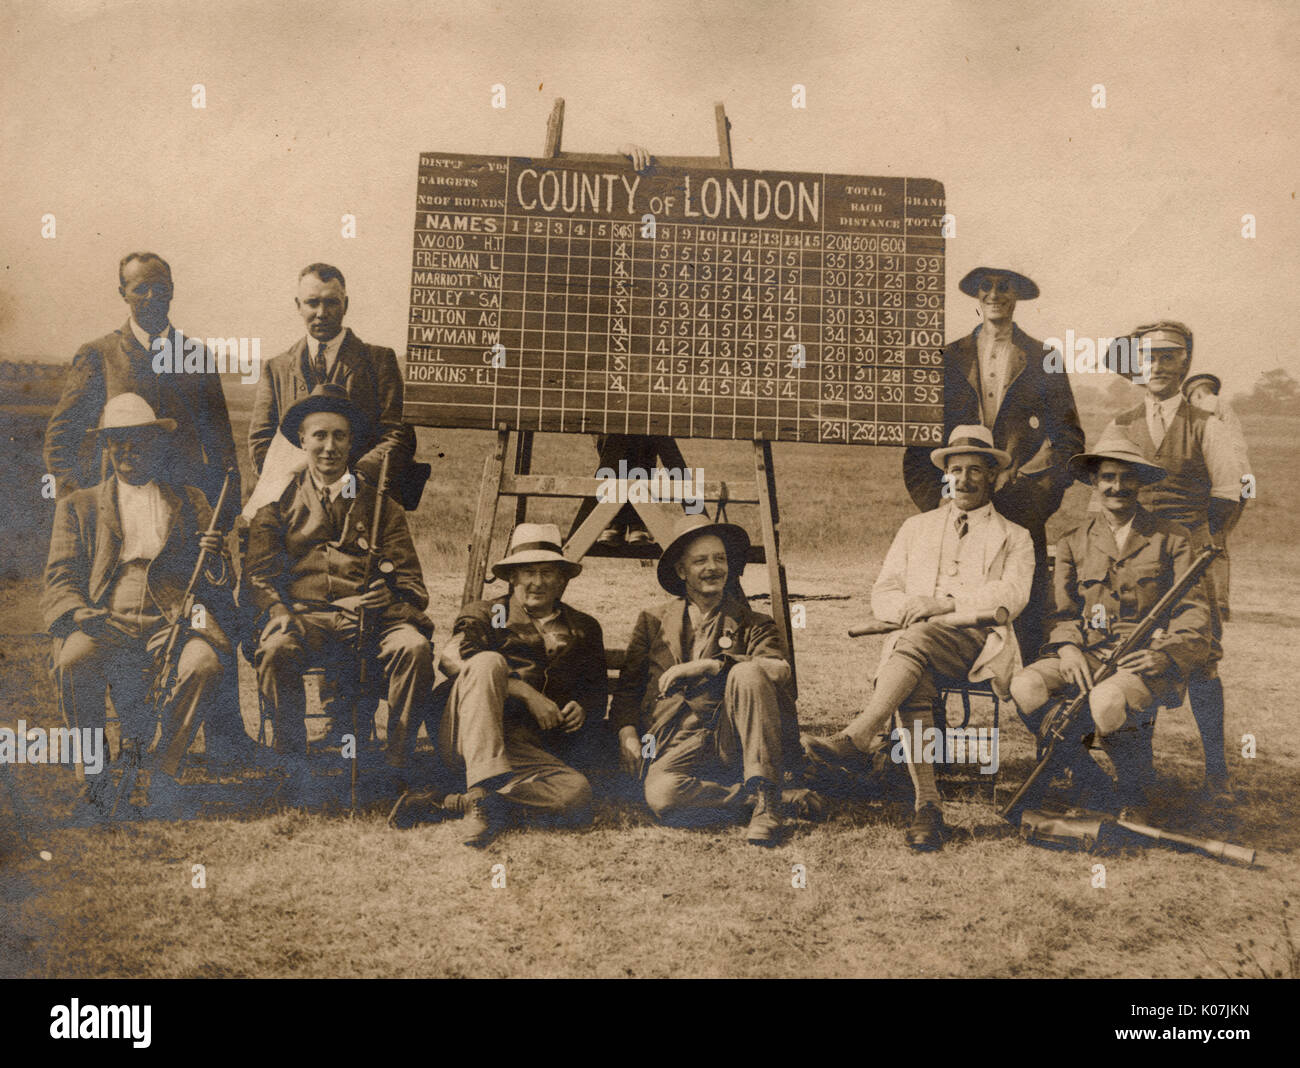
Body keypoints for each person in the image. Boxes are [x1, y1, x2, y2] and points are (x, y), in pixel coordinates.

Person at [806, 425, 1034, 850]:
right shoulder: (917, 528)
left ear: (993, 477)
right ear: (944, 476)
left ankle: (860, 734)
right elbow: (884, 592)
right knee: (917, 673)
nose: (963, 480)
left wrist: (944, 604)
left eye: (975, 470)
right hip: (918, 644)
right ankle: (927, 807)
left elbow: (1011, 595)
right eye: (956, 470)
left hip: (979, 644)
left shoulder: (1015, 537)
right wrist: (910, 610)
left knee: (918, 641)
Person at [42, 393, 238, 819]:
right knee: (74, 657)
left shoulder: (191, 501)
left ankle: (162, 772)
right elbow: (59, 579)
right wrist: (77, 613)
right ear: (106, 448)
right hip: (104, 618)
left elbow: (218, 583)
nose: (128, 452)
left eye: (138, 442)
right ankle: (94, 774)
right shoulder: (78, 506)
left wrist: (217, 557)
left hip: (172, 619)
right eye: (117, 443)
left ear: (157, 444)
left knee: (204, 664)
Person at [1009, 428, 1211, 820]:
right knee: (1024, 685)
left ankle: (1135, 790)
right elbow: (1061, 612)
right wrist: (1067, 648)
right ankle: (1099, 783)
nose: (1117, 487)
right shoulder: (1071, 541)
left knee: (1106, 702)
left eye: (1127, 477)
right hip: (1085, 654)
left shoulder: (1173, 539)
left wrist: (1166, 656)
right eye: (1108, 477)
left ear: (1140, 482)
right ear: (1093, 482)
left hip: (1141, 659)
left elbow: (1195, 612)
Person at [242, 385, 435, 782]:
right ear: (302, 440)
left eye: (339, 436)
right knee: (276, 648)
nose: (329, 447)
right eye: (319, 435)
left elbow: (413, 584)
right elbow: (257, 576)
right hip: (304, 618)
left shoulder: (382, 504)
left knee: (413, 648)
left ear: (352, 442)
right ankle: (293, 763)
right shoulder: (276, 503)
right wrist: (277, 610)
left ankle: (395, 765)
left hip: (372, 618)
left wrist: (389, 594)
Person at [901, 265, 1083, 659]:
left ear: (1017, 296)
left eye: (1005, 287)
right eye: (987, 287)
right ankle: (925, 699)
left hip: (1017, 505)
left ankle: (1034, 700)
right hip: (955, 504)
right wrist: (938, 501)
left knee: (1026, 612)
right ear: (975, 295)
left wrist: (1034, 494)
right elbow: (918, 441)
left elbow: (1069, 441)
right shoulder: (947, 357)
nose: (994, 294)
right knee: (935, 603)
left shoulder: (1043, 357)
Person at [387, 523, 602, 846]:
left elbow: (596, 691)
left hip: (524, 748)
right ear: (512, 576)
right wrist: (527, 693)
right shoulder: (487, 614)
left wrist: (581, 709)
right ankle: (482, 789)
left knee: (576, 793)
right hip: (465, 732)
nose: (538, 582)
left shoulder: (583, 627)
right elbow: (453, 660)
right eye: (528, 571)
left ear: (562, 578)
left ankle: (454, 802)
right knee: (488, 661)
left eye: (548, 572)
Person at [1102, 321, 1244, 799]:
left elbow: (1229, 494)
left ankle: (1217, 773)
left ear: (1185, 362)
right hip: (1138, 557)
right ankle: (1141, 774)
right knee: (1136, 649)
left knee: (1202, 659)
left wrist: (1201, 544)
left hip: (1194, 556)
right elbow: (1103, 496)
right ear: (1135, 365)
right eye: (1149, 357)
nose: (1157, 365)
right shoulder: (1121, 423)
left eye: (1168, 356)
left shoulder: (1207, 423)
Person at [609, 514, 794, 845]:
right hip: (672, 741)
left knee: (749, 671)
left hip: (730, 738)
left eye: (720, 558)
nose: (713, 568)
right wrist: (627, 734)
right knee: (662, 796)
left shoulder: (754, 622)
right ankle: (758, 800)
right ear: (682, 571)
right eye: (701, 560)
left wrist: (711, 666)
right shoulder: (653, 621)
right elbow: (627, 690)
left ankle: (766, 800)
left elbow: (779, 670)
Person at [44, 251, 240, 513]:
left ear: (171, 290)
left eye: (160, 288)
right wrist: (76, 504)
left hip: (186, 513)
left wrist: (222, 514)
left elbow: (220, 444)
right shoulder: (100, 355)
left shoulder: (197, 356)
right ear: (123, 293)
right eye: (140, 289)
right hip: (118, 512)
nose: (152, 297)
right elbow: (61, 437)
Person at [247, 263, 426, 512]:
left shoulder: (378, 361)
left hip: (361, 501)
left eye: (331, 302)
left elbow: (398, 436)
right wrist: (296, 491)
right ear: (298, 306)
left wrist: (353, 482)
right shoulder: (276, 368)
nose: (322, 312)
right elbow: (261, 441)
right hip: (293, 507)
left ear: (346, 305)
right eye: (312, 302)